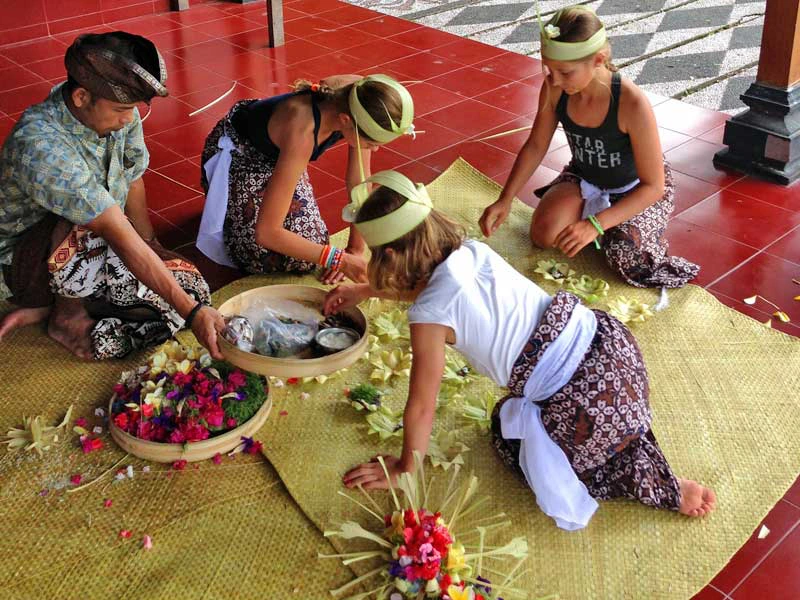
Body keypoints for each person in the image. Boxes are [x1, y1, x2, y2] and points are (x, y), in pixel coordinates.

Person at [324, 170, 716, 530]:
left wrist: (407, 466)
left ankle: (657, 484)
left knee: (508, 434)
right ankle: (635, 446)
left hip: (584, 403)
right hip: (612, 352)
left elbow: (422, 404)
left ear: (388, 258)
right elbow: (428, 286)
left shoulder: (428, 316)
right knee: (611, 423)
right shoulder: (473, 252)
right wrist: (363, 291)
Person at [0, 32, 225, 361]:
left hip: (99, 241)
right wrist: (191, 312)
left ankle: (54, 306)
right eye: (122, 109)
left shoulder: (116, 113)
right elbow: (111, 225)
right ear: (80, 97)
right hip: (29, 261)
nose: (129, 118)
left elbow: (132, 177)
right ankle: (65, 314)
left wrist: (151, 243)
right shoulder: (39, 144)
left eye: (132, 108)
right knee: (182, 307)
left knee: (193, 289)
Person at [479, 5, 698, 289]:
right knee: (545, 235)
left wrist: (595, 224)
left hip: (636, 187)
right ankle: (599, 217)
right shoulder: (554, 87)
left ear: (599, 59)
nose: (554, 80)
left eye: (565, 72)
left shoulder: (631, 102)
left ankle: (611, 223)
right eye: (548, 69)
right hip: (586, 176)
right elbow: (536, 145)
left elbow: (653, 186)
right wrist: (505, 199)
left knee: (626, 257)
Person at [198, 74, 416, 284]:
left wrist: (356, 250)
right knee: (280, 254)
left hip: (282, 153)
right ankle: (225, 208)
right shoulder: (303, 132)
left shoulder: (362, 98)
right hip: (241, 157)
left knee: (312, 243)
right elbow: (267, 232)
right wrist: (341, 261)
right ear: (345, 120)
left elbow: (359, 180)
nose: (375, 149)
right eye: (370, 142)